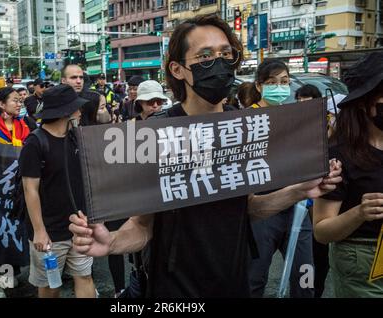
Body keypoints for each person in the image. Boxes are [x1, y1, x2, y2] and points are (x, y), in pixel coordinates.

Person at [69, 14, 342, 298]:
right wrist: (111, 242)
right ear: (178, 69)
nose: (220, 63)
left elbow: (248, 207)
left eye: (226, 54)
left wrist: (299, 190)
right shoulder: (157, 134)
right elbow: (142, 224)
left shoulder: (242, 126)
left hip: (235, 285)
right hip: (173, 291)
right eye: (206, 56)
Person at [313, 51, 383, 298]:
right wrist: (359, 213)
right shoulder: (339, 155)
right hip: (362, 260)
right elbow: (321, 231)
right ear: (365, 102)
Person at [246, 58, 315, 298]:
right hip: (261, 209)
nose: (279, 87)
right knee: (254, 279)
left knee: (305, 278)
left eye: (284, 82)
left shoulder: (295, 117)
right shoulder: (246, 120)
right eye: (272, 82)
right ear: (258, 86)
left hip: (298, 208)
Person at [19, 84, 95, 298]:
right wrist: (39, 231)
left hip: (79, 226)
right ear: (65, 113)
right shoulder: (35, 143)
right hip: (50, 231)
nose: (80, 113)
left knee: (85, 276)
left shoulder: (75, 137)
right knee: (51, 285)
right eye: (76, 109)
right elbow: (29, 189)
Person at [0, 87, 36, 298]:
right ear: (1, 104)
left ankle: (8, 273)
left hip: (21, 190)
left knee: (13, 232)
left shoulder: (27, 124)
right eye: (15, 101)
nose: (20, 104)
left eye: (21, 101)